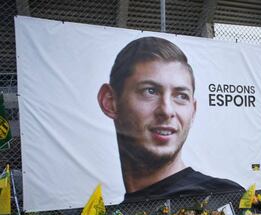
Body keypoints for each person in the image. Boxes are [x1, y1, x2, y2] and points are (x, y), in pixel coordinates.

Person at [97, 36, 244, 202]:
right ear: (109, 102)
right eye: (150, 91)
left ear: (193, 110)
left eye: (181, 96)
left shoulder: (224, 198)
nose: (167, 111)